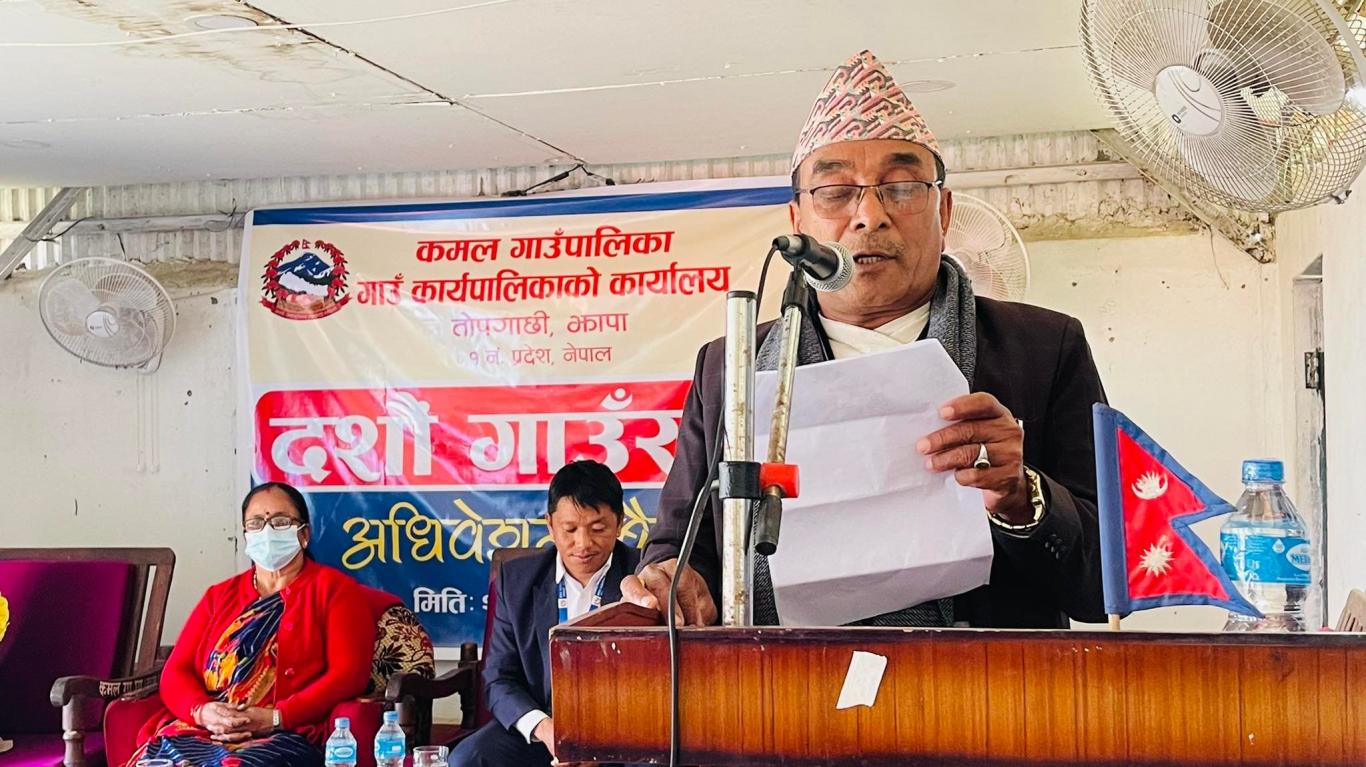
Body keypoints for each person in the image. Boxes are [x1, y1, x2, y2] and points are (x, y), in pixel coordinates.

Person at [623, 50, 1108, 629]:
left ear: (944, 210)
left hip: (987, 680)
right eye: (835, 191)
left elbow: (1103, 584)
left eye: (901, 187)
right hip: (782, 678)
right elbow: (682, 548)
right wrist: (669, 581)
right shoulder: (730, 365)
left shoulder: (1043, 348)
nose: (869, 216)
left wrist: (1021, 495)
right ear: (797, 220)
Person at [128, 482, 375, 767]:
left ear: (304, 534)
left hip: (285, 734)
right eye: (256, 523)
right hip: (203, 730)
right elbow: (175, 671)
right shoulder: (219, 596)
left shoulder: (335, 591)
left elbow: (348, 675)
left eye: (280, 522)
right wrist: (203, 712)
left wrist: (277, 717)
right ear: (246, 535)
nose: (267, 532)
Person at [451, 460, 641, 767]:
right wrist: (545, 729)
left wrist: (604, 740)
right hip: (545, 728)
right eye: (570, 529)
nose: (583, 544)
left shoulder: (644, 575)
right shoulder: (517, 581)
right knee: (468, 758)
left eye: (598, 529)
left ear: (620, 523)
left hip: (626, 729)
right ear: (550, 525)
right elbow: (499, 679)